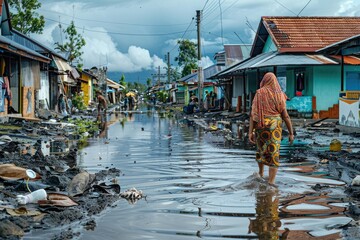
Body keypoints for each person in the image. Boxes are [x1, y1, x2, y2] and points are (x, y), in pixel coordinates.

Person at [248, 72, 294, 187]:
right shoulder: (280, 95)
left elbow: (253, 114)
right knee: (273, 152)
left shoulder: (259, 93)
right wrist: (291, 133)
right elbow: (286, 116)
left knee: (261, 150)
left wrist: (250, 132)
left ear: (264, 81)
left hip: (261, 126)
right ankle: (271, 182)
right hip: (274, 127)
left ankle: (261, 173)